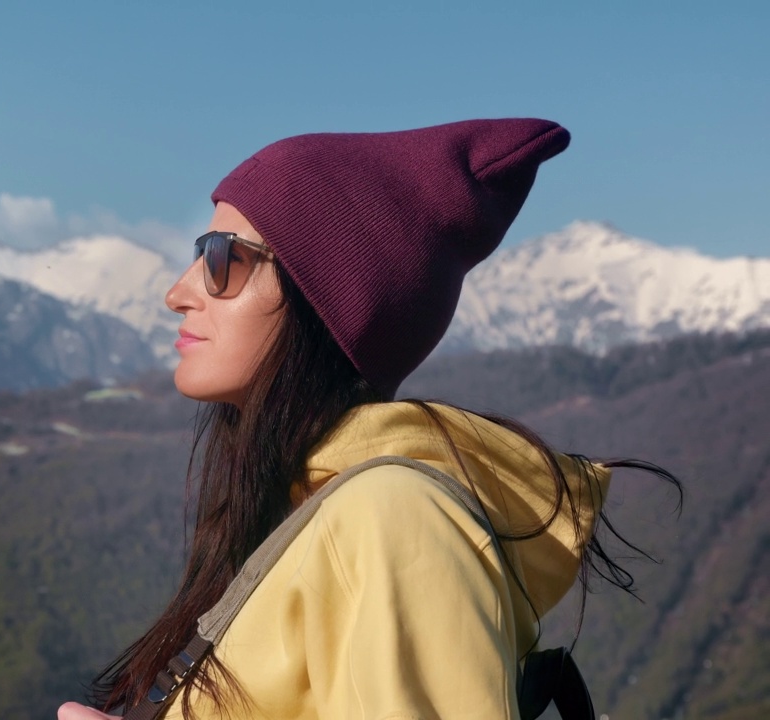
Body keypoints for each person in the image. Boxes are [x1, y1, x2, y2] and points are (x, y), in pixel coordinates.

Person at [57, 119, 678, 720]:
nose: (179, 291)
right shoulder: (321, 512)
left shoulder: (394, 516)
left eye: (221, 258)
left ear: (323, 296)